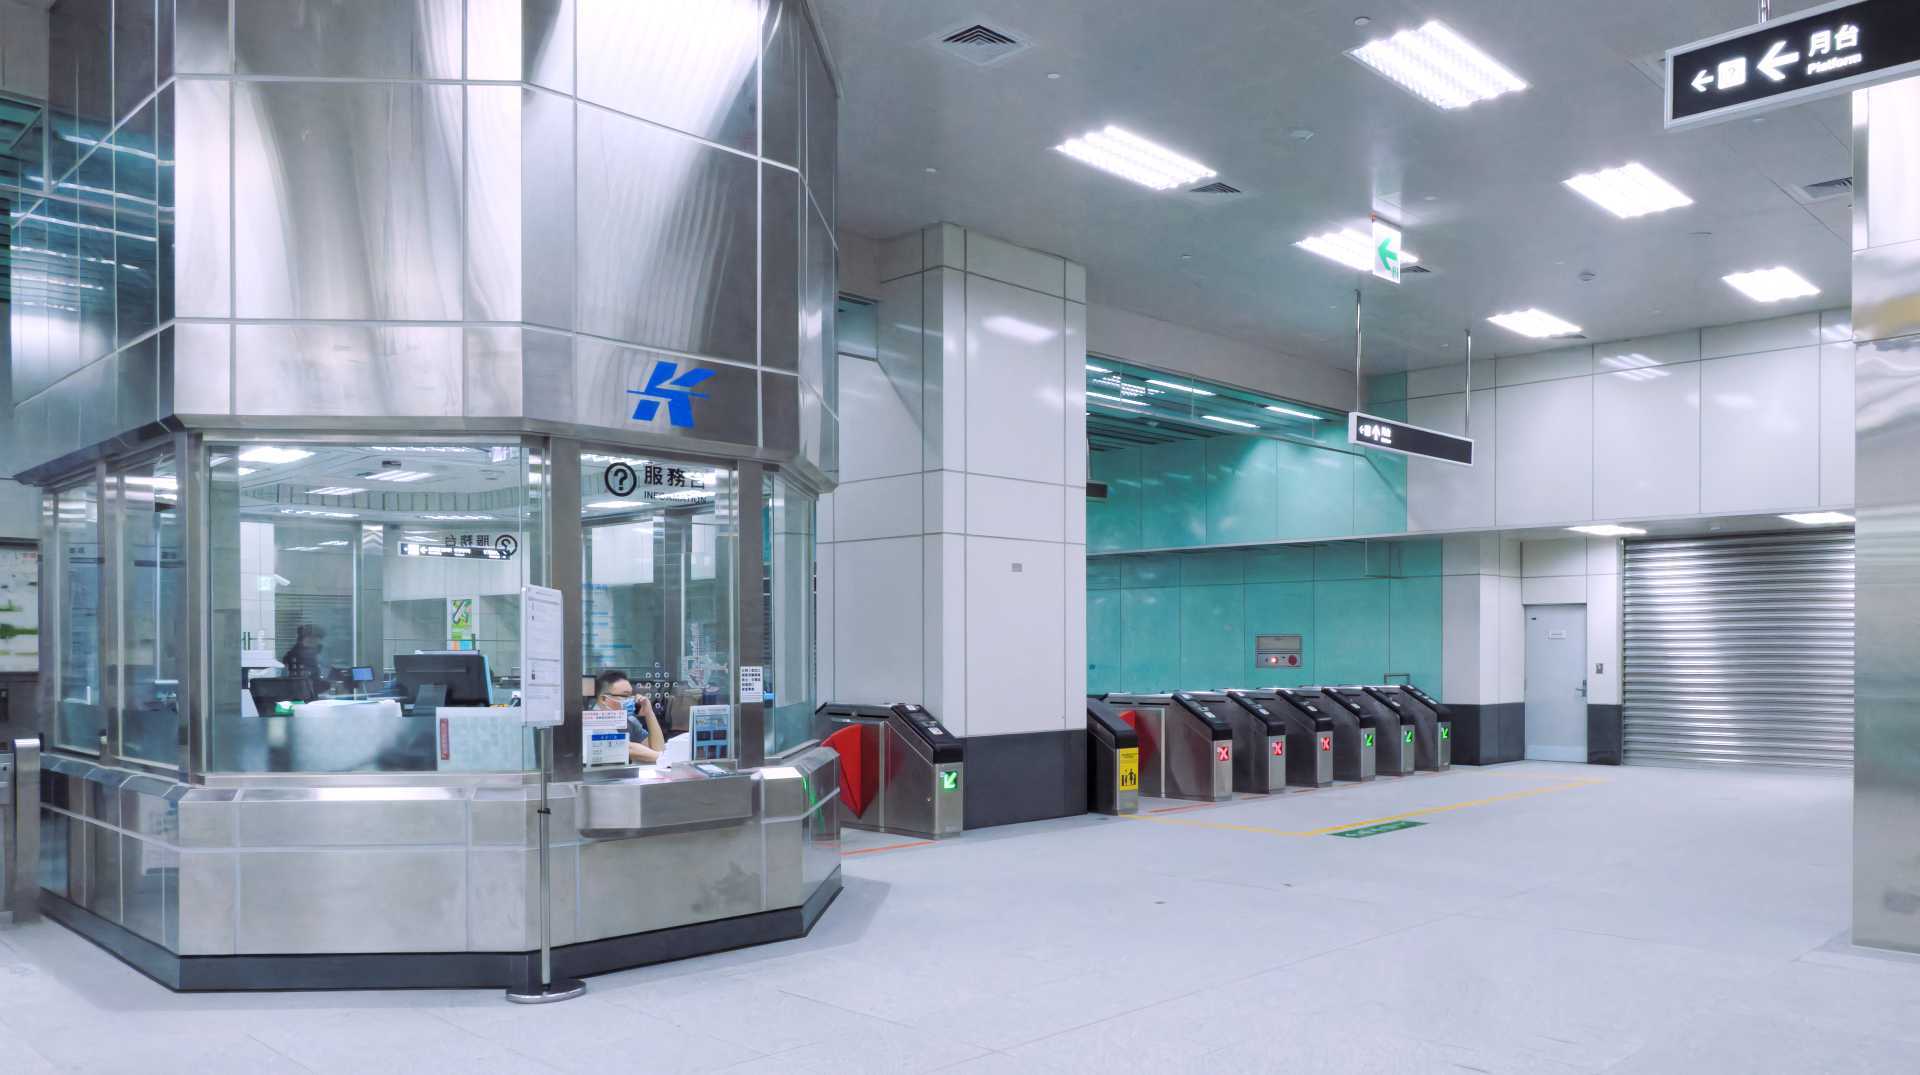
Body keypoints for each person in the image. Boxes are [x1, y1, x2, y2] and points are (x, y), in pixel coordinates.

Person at [592, 669, 667, 764]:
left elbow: (657, 748)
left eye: (631, 695)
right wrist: (665, 758)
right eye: (624, 696)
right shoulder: (594, 720)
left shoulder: (630, 721)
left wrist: (649, 713)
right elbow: (626, 747)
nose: (631, 700)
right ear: (604, 699)